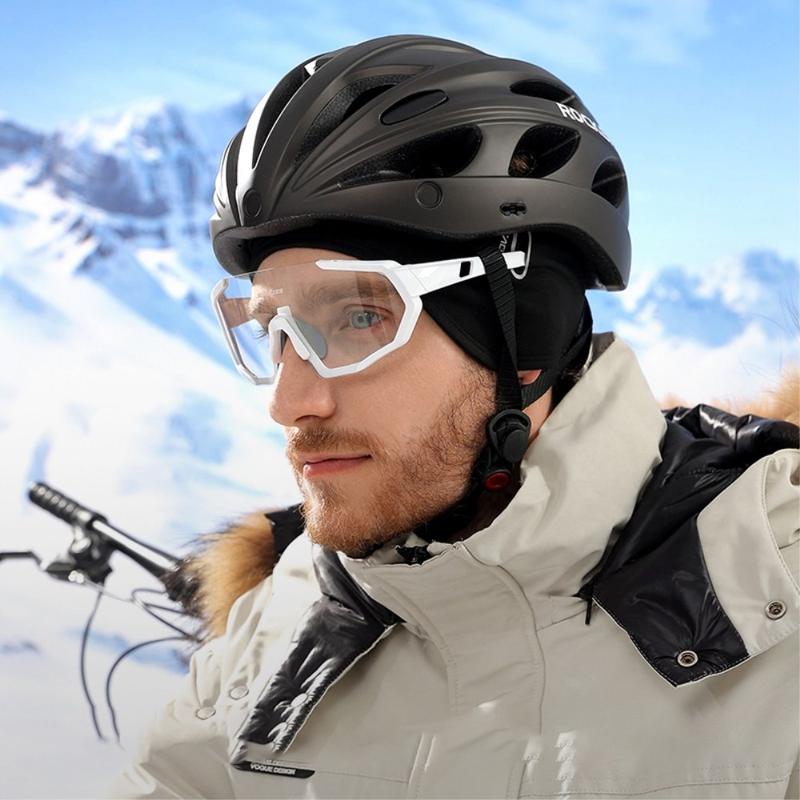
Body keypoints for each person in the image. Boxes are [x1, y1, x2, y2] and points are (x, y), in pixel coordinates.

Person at [109, 34, 799, 799]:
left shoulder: (780, 609)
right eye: (276, 329)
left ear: (524, 338)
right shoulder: (281, 618)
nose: (289, 401)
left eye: (360, 317)